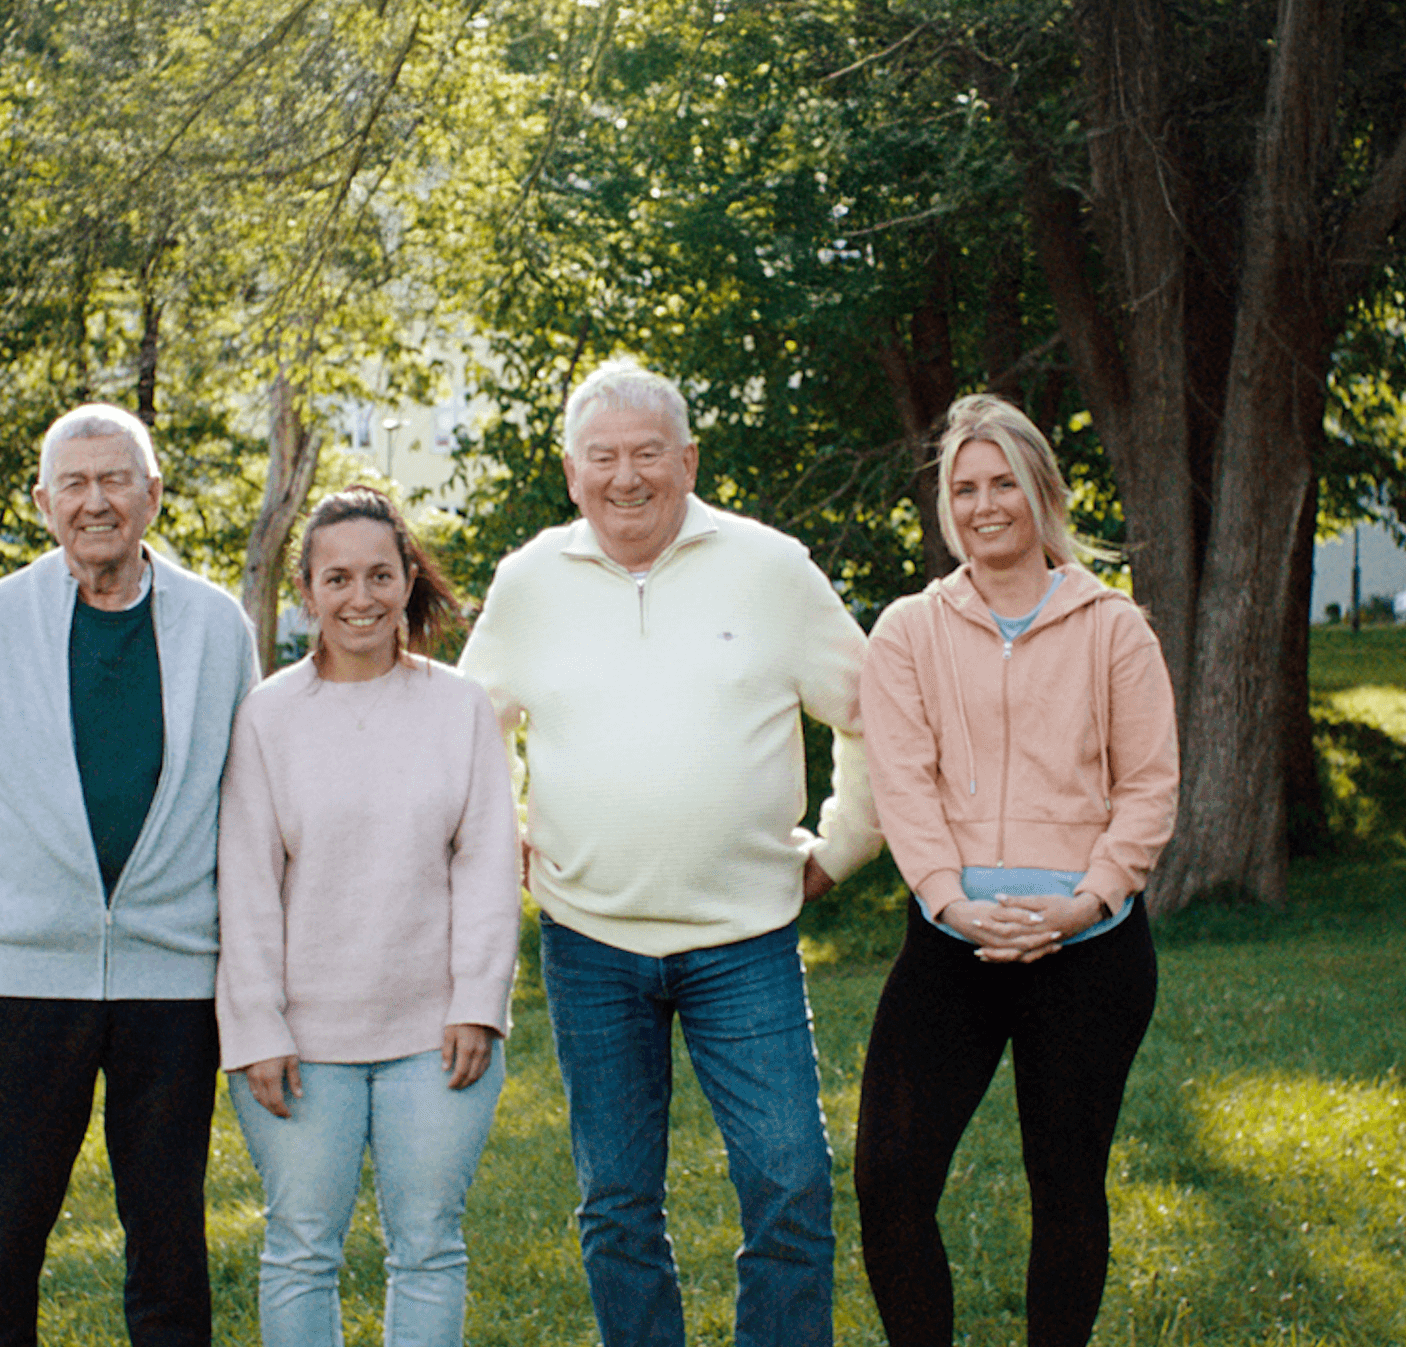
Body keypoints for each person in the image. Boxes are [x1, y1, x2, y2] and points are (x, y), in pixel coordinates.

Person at [458, 358, 883, 1347]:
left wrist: (846, 845)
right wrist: (506, 837)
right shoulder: (529, 583)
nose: (626, 477)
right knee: (616, 1201)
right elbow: (470, 728)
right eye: (602, 457)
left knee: (790, 1179)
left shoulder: (772, 567)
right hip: (589, 941)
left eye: (649, 453)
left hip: (747, 939)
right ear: (571, 473)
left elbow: (870, 711)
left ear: (689, 460)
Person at [0, 403, 259, 1347]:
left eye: (116, 479)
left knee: (171, 1244)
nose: (97, 501)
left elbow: (253, 814)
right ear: (44, 501)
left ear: (154, 493)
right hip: (24, 984)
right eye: (75, 483)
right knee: (3, 1245)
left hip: (176, 988)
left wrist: (257, 980)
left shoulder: (219, 627)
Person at [852, 393, 1179, 1346]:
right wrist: (951, 903)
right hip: (951, 946)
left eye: (1003, 483)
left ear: (1042, 490)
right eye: (964, 487)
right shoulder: (908, 632)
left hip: (1089, 953)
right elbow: (903, 788)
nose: (984, 503)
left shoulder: (1114, 628)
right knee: (889, 1178)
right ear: (945, 506)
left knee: (1068, 1184)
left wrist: (1083, 904)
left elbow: (1149, 786)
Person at [216, 486, 521, 1347]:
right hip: (299, 1043)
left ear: (407, 581)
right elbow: (245, 880)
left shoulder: (459, 706)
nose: (362, 597)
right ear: (306, 592)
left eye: (381, 575)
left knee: (428, 1246)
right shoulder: (268, 715)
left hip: (437, 1036)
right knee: (301, 1247)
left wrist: (476, 1000)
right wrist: (258, 1025)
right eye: (338, 578)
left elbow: (489, 863)